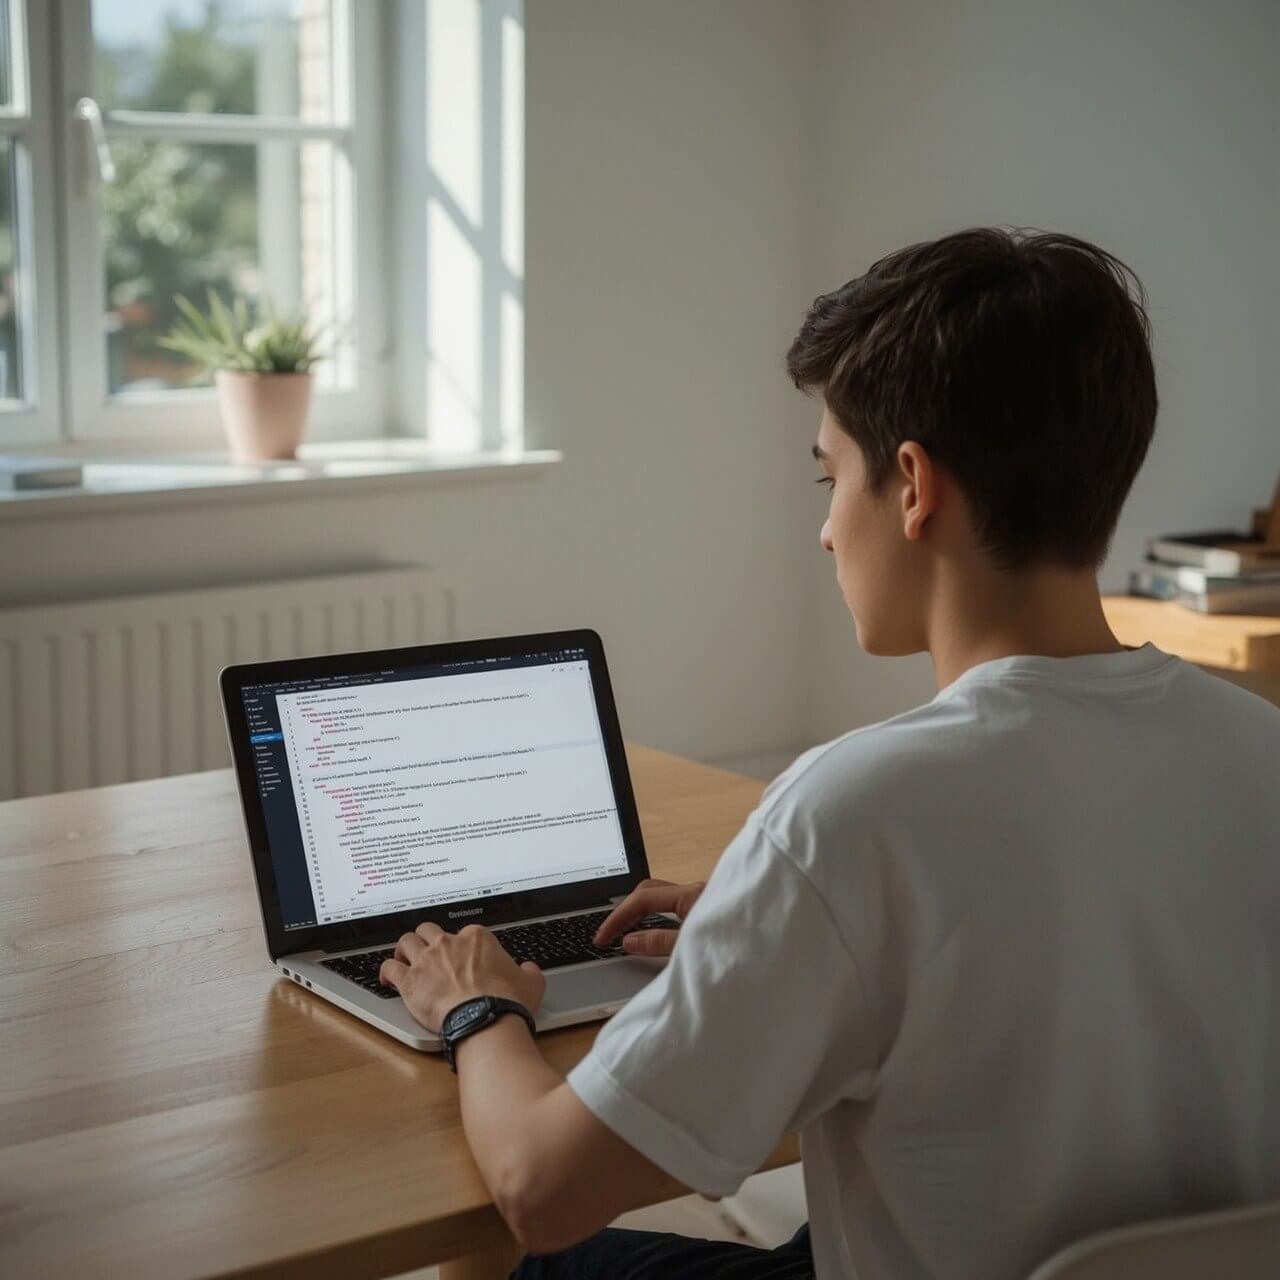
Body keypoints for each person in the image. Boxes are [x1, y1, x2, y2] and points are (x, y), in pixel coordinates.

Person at [377, 228, 1280, 1280]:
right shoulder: (1257, 745)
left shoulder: (854, 809)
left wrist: (476, 1006)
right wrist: (775, 919)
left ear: (910, 485)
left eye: (827, 478)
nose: (822, 531)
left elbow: (543, 1188)